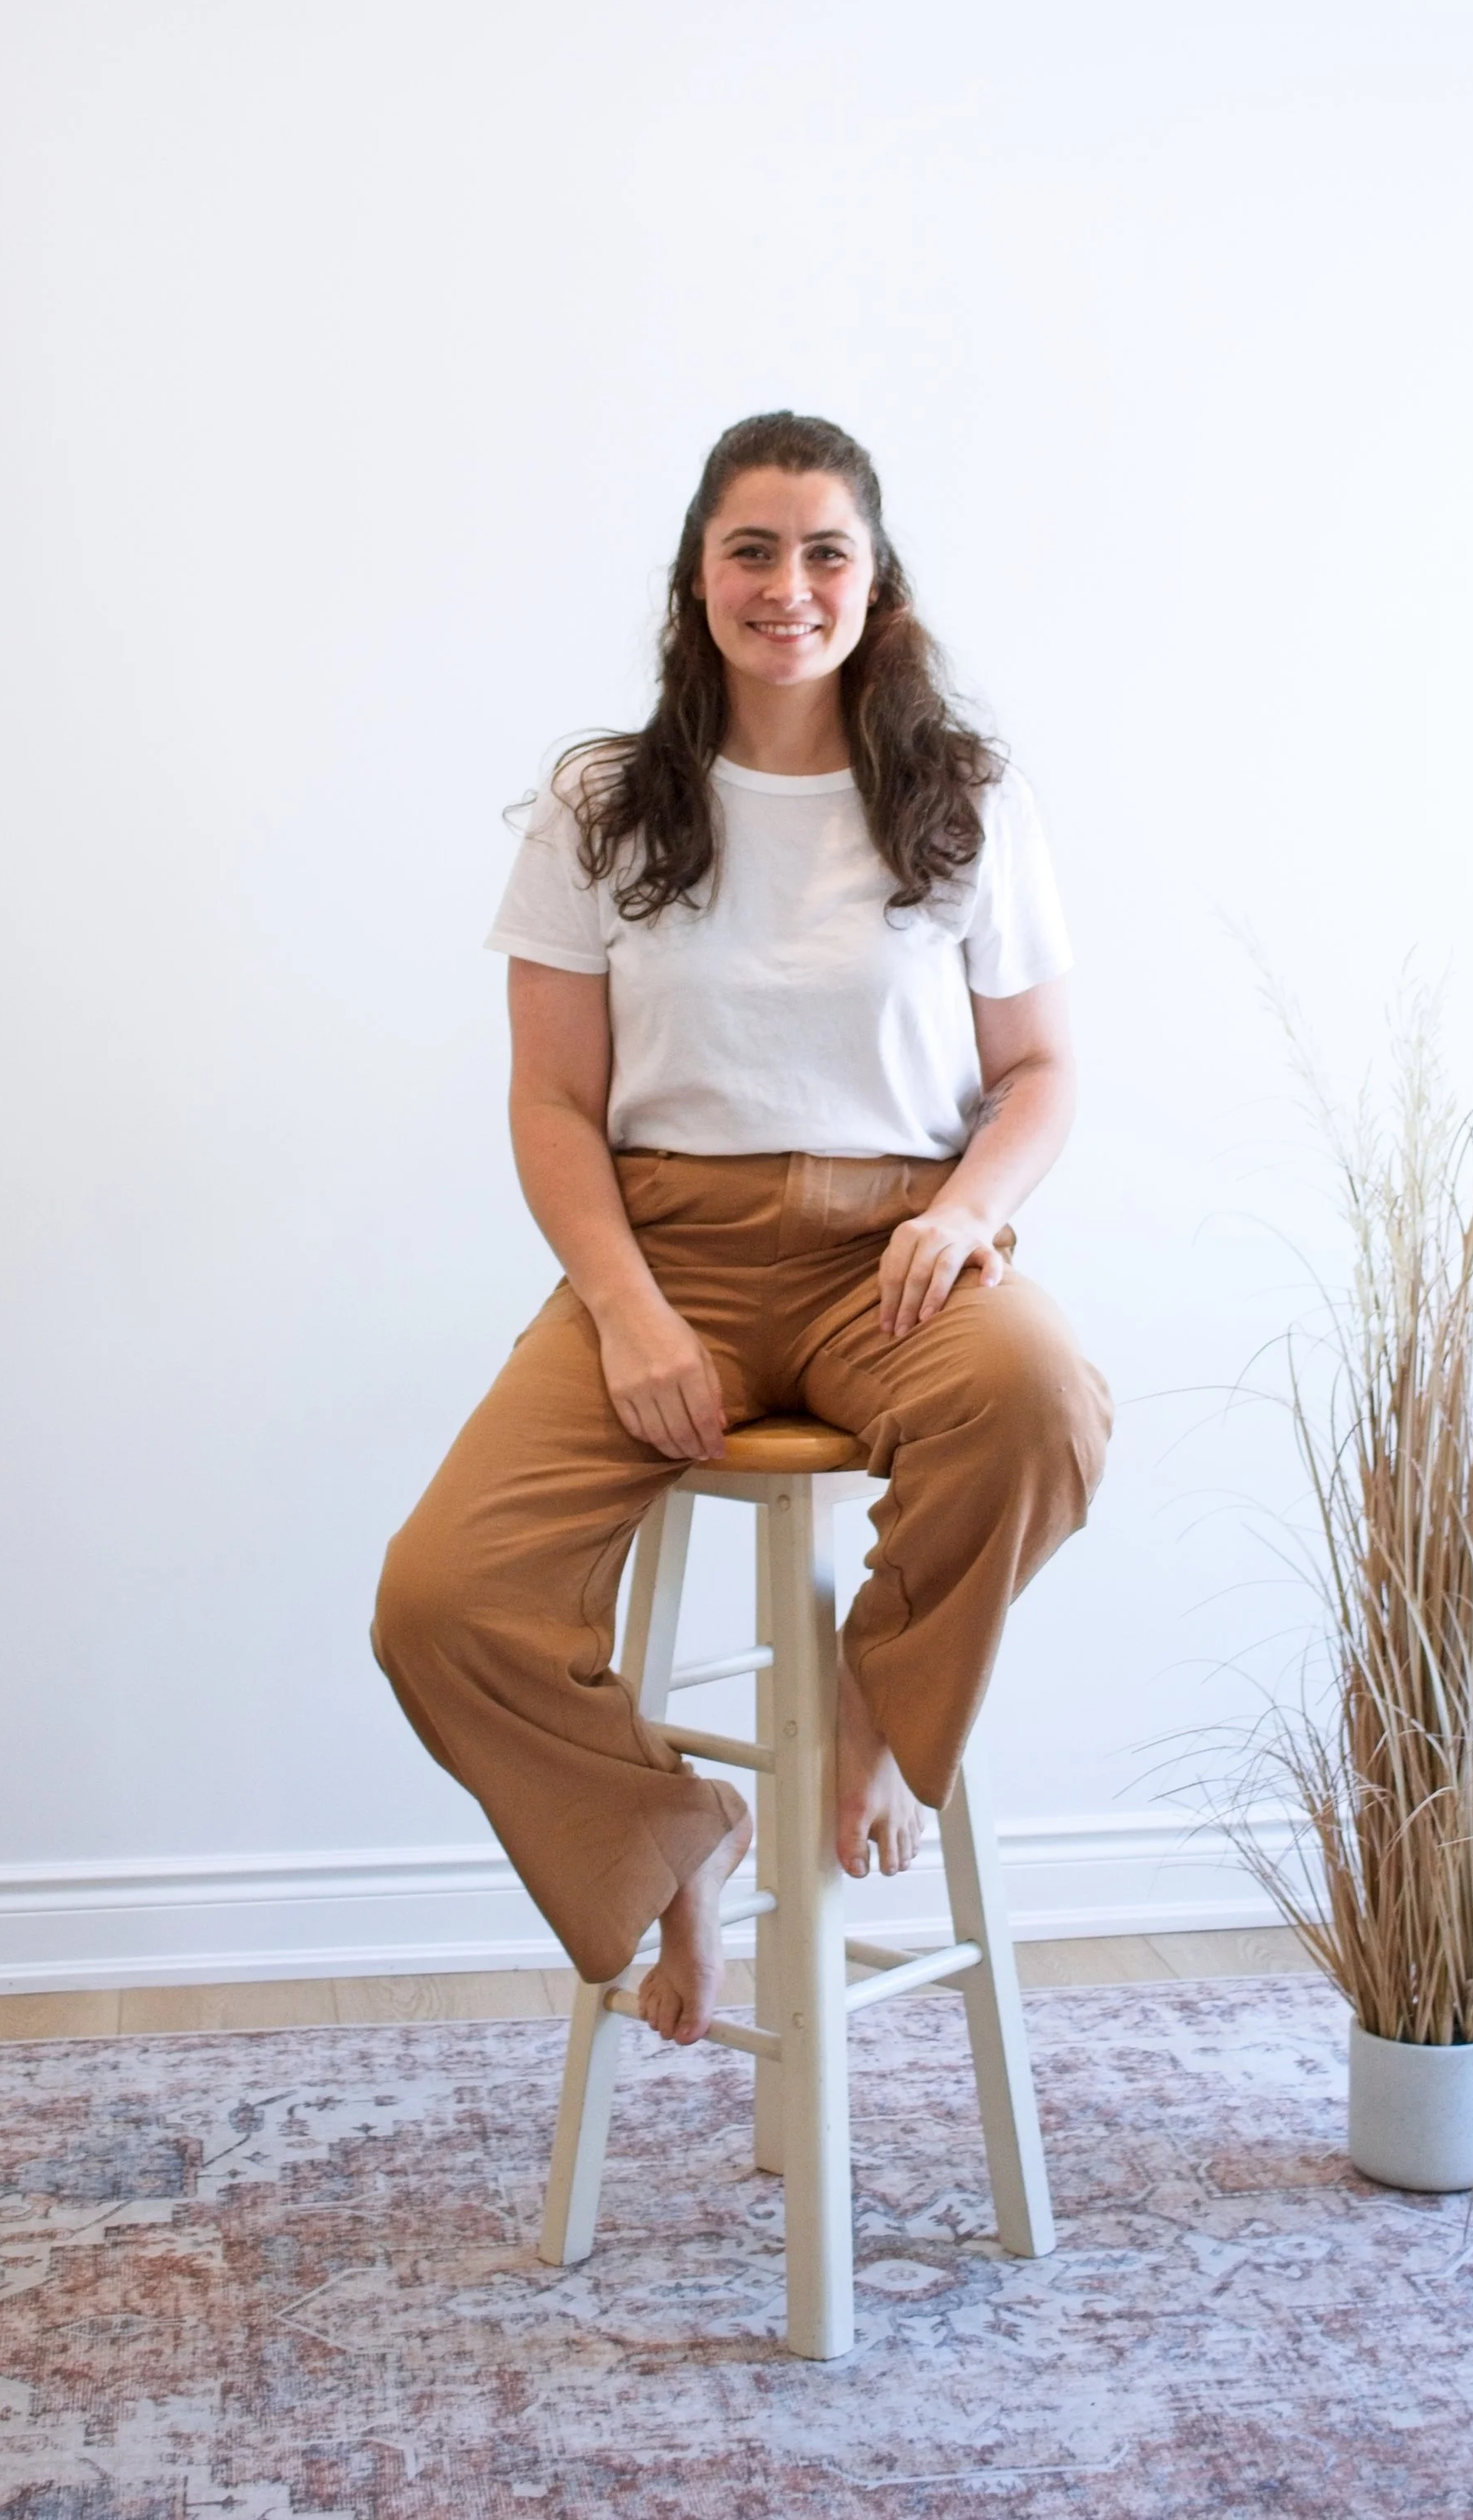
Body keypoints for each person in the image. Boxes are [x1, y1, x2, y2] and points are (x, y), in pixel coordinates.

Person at [372, 412, 1111, 2046]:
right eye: (751, 552)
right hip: (665, 1262)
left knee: (1045, 1401)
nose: (787, 587)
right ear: (697, 578)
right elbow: (552, 1104)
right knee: (437, 1600)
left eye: (822, 551)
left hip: (897, 1258)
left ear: (874, 578)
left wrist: (973, 1210)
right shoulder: (598, 804)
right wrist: (629, 1317)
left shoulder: (963, 800)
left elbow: (1043, 1072)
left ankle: (872, 1710)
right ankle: (669, 1847)